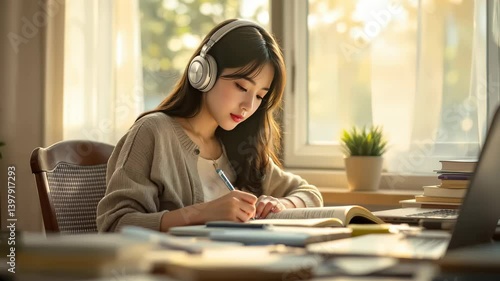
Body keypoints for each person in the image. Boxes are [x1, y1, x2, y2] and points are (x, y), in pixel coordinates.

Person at [96, 19, 323, 232]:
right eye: (242, 87)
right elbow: (116, 224)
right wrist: (203, 213)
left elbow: (310, 194)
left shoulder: (241, 145)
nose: (248, 105)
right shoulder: (153, 133)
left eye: (260, 96)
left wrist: (282, 204)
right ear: (203, 72)